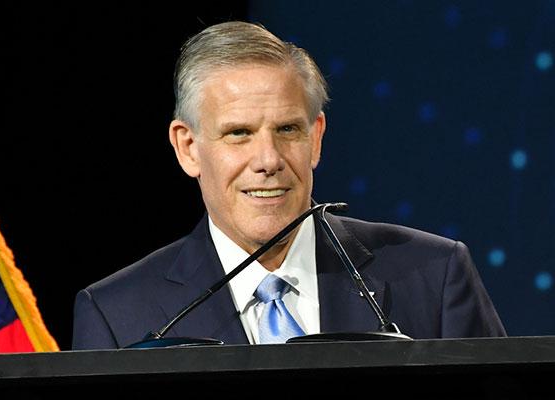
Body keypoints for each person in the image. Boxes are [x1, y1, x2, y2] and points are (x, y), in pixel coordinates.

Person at [72, 21, 505, 349]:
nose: (268, 160)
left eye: (287, 129)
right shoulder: (115, 314)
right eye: (239, 133)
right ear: (188, 148)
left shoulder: (436, 275)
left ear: (316, 138)